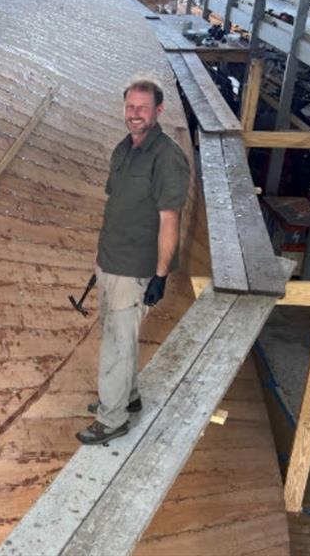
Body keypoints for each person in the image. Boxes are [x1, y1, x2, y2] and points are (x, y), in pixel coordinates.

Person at [76, 78, 190, 445]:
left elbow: (169, 220)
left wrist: (159, 275)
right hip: (110, 259)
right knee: (118, 335)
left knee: (116, 342)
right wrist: (100, 252)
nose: (135, 114)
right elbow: (116, 205)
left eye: (143, 108)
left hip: (134, 268)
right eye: (130, 107)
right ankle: (127, 397)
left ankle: (113, 419)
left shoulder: (168, 157)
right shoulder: (122, 150)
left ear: (159, 111)